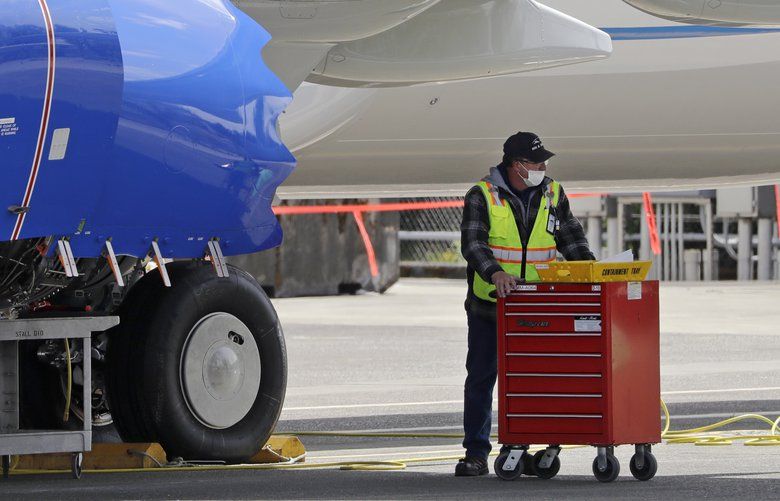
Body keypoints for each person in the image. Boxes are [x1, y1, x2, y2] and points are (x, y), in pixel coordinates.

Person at [455, 131, 595, 477]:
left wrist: (592, 273)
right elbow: (473, 244)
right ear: (516, 165)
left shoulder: (552, 192)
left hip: (537, 308)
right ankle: (476, 453)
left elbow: (571, 237)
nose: (543, 167)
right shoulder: (482, 195)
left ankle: (521, 445)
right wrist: (496, 273)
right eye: (536, 162)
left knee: (535, 378)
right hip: (492, 305)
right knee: (482, 378)